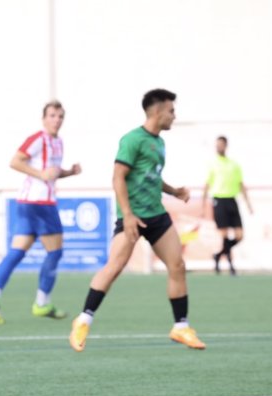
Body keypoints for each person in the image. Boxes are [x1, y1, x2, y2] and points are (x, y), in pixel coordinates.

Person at [68, 89, 205, 352]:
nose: (174, 116)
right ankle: (83, 320)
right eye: (171, 111)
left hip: (157, 215)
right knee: (115, 266)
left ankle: (181, 327)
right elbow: (118, 177)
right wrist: (128, 215)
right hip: (133, 216)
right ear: (157, 111)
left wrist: (174, 191)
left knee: (177, 265)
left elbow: (151, 176)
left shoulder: (159, 143)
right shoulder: (132, 140)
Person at [0, 100, 82, 324]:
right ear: (44, 118)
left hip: (28, 204)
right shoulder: (38, 139)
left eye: (60, 116)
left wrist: (68, 173)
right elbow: (15, 161)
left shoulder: (58, 142)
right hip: (41, 204)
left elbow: (50, 173)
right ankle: (42, 303)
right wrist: (40, 174)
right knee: (55, 253)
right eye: (53, 115)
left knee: (18, 251)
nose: (57, 119)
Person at [201, 136, 253, 275]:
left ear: (226, 146)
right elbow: (207, 185)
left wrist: (248, 203)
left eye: (221, 145)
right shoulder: (213, 164)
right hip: (219, 200)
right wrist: (203, 204)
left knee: (239, 235)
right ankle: (230, 266)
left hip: (231, 200)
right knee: (224, 235)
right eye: (216, 145)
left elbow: (241, 184)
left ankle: (218, 255)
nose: (218, 147)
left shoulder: (234, 165)